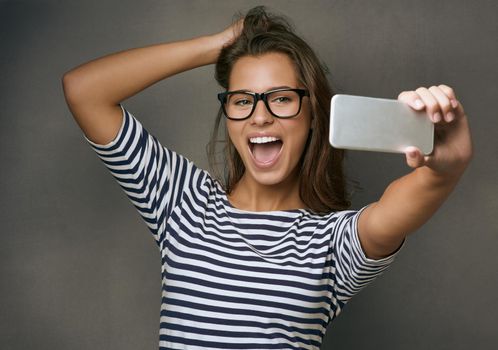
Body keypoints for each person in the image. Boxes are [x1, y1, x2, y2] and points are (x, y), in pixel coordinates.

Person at [62, 6, 473, 350]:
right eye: (242, 100)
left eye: (281, 98)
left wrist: (447, 165)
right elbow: (84, 90)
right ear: (228, 113)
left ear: (313, 115)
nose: (260, 115)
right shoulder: (182, 202)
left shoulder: (330, 243)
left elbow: (406, 201)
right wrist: (219, 47)